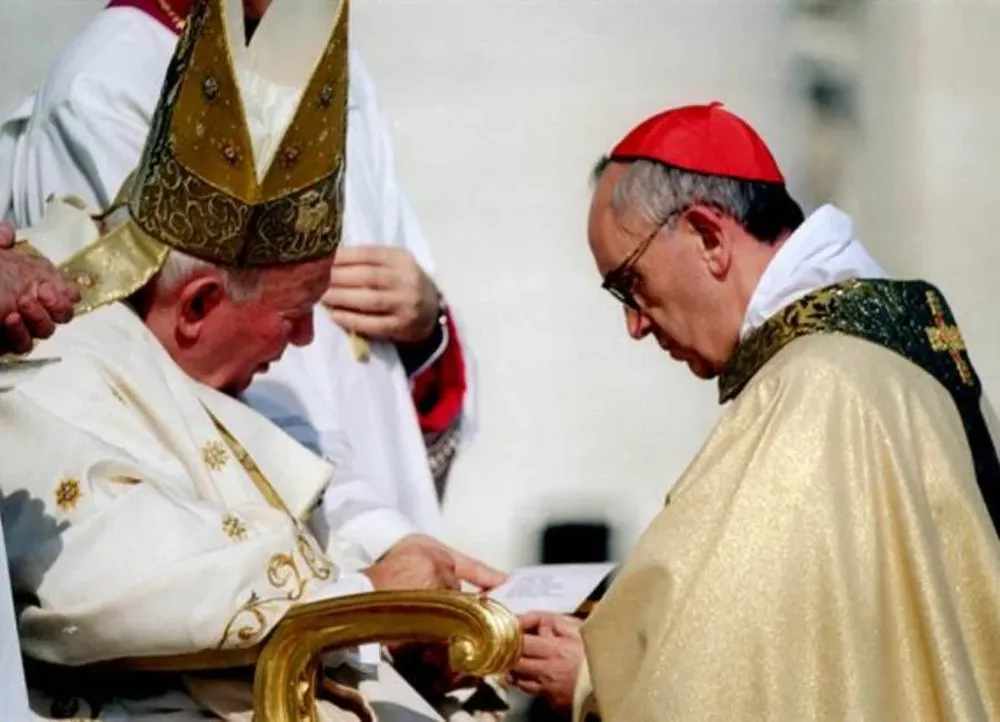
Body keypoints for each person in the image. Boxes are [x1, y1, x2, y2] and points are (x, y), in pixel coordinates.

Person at [0, 1, 489, 718]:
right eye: (295, 316)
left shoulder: (191, 368)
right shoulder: (53, 367)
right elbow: (113, 585)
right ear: (197, 305)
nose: (305, 344)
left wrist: (395, 583)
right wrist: (368, 600)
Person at [511, 102, 1000, 720]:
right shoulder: (879, 356)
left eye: (629, 283)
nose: (634, 325)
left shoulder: (819, 387)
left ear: (708, 237)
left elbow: (736, 681)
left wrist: (597, 682)